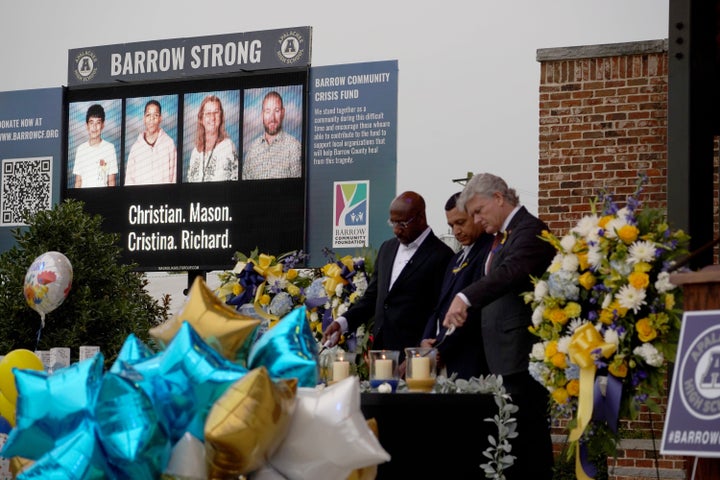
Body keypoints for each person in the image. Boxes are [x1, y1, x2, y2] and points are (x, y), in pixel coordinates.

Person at [442, 173, 555, 480]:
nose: (476, 219)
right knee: (514, 444)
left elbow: (511, 272)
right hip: (501, 357)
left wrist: (465, 297)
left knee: (529, 443)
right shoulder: (502, 236)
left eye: (479, 211)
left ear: (499, 198)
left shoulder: (530, 230)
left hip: (521, 356)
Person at [321, 191, 454, 357]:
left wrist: (422, 353)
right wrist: (341, 323)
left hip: (416, 355)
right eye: (393, 223)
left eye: (403, 224)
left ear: (421, 218)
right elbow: (372, 298)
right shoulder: (387, 249)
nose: (397, 230)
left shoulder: (442, 255)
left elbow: (440, 311)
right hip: (381, 351)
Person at [420, 192, 494, 380]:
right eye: (451, 225)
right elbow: (439, 307)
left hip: (469, 360)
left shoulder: (489, 253)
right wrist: (425, 341)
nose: (456, 232)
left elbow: (473, 310)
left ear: (476, 216)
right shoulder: (455, 258)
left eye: (461, 223)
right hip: (440, 358)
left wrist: (440, 348)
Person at [242, 90, 302, 180]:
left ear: (283, 113)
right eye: (267, 111)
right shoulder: (252, 150)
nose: (272, 118)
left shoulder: (294, 147)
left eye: (276, 111)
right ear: (262, 115)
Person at [125, 99, 177, 185]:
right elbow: (129, 181)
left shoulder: (169, 144)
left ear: (160, 118)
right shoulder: (136, 148)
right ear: (144, 118)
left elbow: (174, 177)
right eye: (148, 115)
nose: (151, 119)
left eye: (155, 115)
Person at [187, 95, 238, 182]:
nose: (212, 118)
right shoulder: (195, 152)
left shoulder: (228, 146)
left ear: (221, 117)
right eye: (208, 113)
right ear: (201, 119)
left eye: (216, 113)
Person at [72, 104, 118, 188]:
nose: (94, 127)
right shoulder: (81, 149)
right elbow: (78, 182)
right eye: (91, 123)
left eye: (98, 123)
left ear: (103, 125)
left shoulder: (110, 148)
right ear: (87, 125)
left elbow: (111, 181)